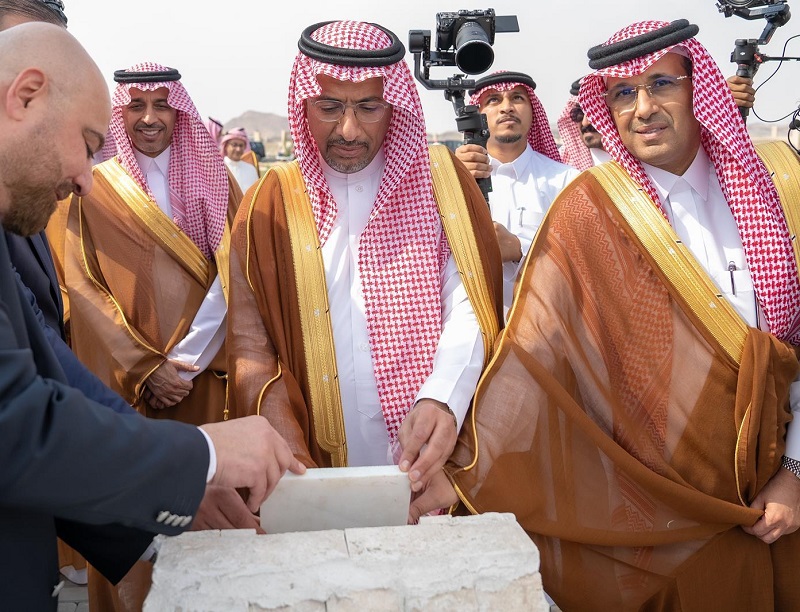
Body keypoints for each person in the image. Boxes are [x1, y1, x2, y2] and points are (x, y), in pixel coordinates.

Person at [410, 19, 800, 610]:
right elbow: (539, 360)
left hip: (774, 493)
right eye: (623, 92)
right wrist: (468, 470)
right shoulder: (588, 209)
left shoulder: (778, 187)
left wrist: (795, 471)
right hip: (650, 504)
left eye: (661, 84)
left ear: (698, 86)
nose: (643, 108)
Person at [0, 22, 304, 611]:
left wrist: (179, 483)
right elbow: (19, 420)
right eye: (88, 142)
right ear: (26, 94)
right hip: (133, 386)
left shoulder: (214, 178)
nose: (86, 177)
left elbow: (45, 371)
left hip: (190, 388)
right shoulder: (78, 196)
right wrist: (197, 454)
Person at [227, 20, 503, 492]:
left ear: (394, 104)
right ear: (303, 104)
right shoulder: (269, 201)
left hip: (432, 451)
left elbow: (469, 304)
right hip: (310, 453)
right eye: (329, 107)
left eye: (369, 107)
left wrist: (444, 396)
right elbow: (251, 344)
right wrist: (287, 453)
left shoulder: (441, 181)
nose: (349, 129)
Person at [65, 62, 243, 427]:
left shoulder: (218, 180)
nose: (149, 118)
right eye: (136, 106)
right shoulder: (92, 188)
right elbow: (82, 285)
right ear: (120, 113)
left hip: (202, 376)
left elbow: (234, 272)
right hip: (125, 383)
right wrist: (143, 367)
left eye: (161, 105)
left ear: (178, 112)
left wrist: (185, 362)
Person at [454, 71, 579, 313]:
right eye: (493, 100)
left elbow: (583, 259)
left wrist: (520, 249)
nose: (506, 108)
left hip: (545, 322)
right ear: (477, 113)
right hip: (470, 323)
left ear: (533, 111)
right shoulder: (455, 177)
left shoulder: (566, 180)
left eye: (517, 98)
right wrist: (452, 179)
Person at [220, 126, 260, 191]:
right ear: (226, 146)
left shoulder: (251, 169)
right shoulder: (219, 168)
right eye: (234, 145)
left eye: (241, 146)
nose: (238, 149)